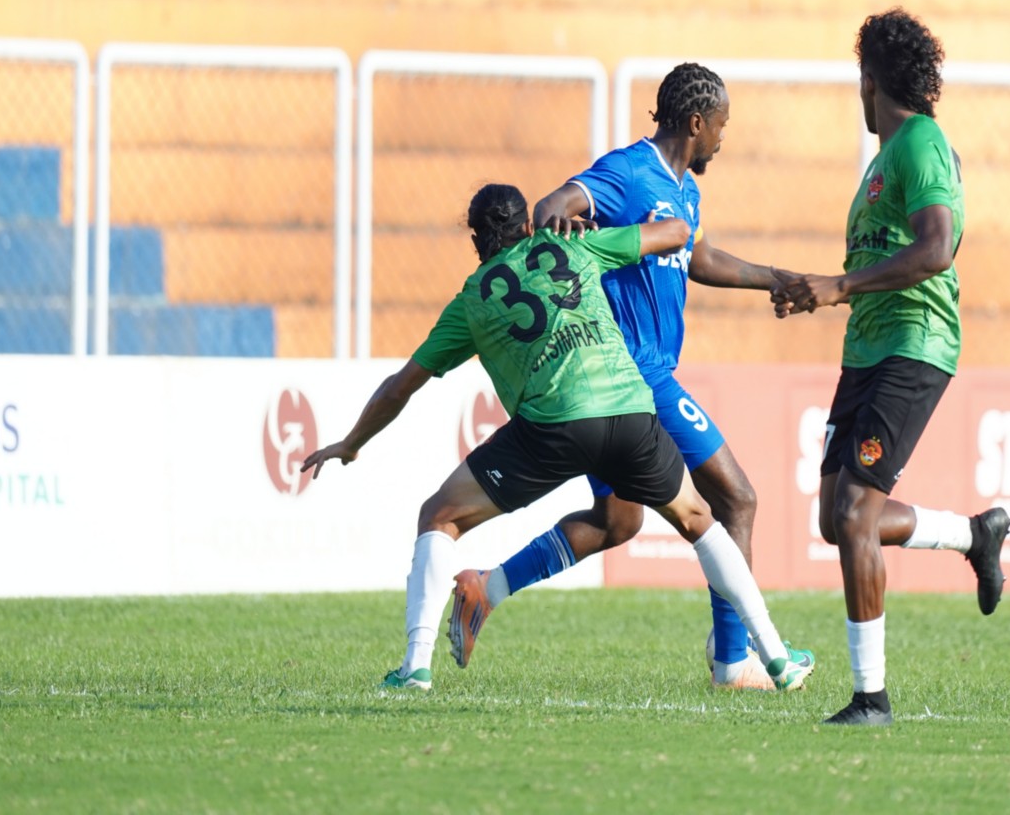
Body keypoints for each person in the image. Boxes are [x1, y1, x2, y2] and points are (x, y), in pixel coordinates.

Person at [299, 182, 815, 694]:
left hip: (554, 427)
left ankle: (414, 668)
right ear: (528, 226)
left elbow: (399, 387)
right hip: (631, 409)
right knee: (700, 519)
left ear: (475, 239)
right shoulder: (574, 245)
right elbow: (677, 232)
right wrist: (592, 227)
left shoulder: (472, 301)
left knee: (440, 516)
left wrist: (351, 442)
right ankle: (774, 657)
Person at [447, 64, 800, 690]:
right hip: (637, 373)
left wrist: (773, 278)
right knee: (736, 497)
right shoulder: (628, 171)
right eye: (721, 127)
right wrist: (569, 226)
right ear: (697, 123)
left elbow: (698, 256)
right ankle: (734, 659)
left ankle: (487, 589)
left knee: (619, 523)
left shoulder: (684, 189)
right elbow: (555, 203)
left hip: (629, 381)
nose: (723, 138)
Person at [773, 9, 1010, 727]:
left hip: (915, 344)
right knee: (835, 519)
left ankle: (871, 699)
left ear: (869, 81)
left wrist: (840, 287)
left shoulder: (921, 146)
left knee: (854, 515)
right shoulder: (884, 161)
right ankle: (975, 536)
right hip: (868, 351)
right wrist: (824, 289)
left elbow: (937, 249)